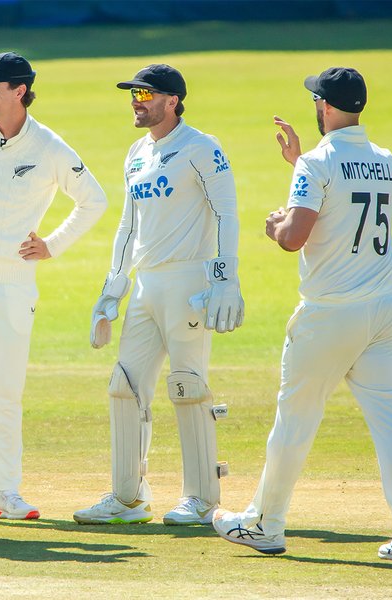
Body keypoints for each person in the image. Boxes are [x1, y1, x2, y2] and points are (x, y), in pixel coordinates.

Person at [213, 67, 392, 560]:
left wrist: (276, 226)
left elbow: (295, 237)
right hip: (384, 309)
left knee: (294, 420)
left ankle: (264, 524)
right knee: (391, 421)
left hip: (330, 315)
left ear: (323, 106)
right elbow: (346, 200)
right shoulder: (384, 159)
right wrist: (301, 163)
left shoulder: (317, 165)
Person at [0, 51, 106, 520]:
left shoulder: (48, 146)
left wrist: (53, 243)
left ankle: (4, 493)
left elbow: (94, 200)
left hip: (14, 284)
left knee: (7, 394)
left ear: (20, 92)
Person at [74, 64, 243, 526]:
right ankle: (127, 497)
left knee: (187, 385)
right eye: (133, 94)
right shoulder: (136, 152)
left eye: (145, 94)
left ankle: (202, 497)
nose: (136, 101)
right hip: (146, 285)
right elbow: (128, 227)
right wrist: (113, 288)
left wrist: (225, 279)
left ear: (172, 100)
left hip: (189, 281)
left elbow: (227, 213)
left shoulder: (202, 148)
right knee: (124, 386)